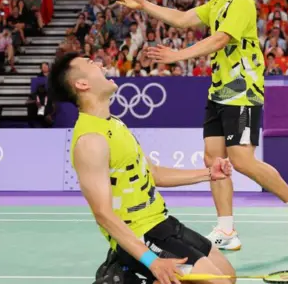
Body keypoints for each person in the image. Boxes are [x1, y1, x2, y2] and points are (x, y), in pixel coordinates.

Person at [116, 0, 288, 250]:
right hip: (219, 92)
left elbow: (221, 38)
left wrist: (178, 55)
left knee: (241, 160)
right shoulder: (219, 2)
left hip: (242, 91)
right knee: (214, 160)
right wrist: (144, 5)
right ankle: (227, 230)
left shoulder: (243, 2)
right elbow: (184, 19)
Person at [48, 52, 237, 284]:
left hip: (162, 223)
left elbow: (153, 173)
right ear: (82, 84)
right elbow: (103, 214)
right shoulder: (90, 141)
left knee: (229, 276)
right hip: (140, 235)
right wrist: (151, 261)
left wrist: (209, 174)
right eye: (90, 63)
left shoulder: (114, 123)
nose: (100, 64)